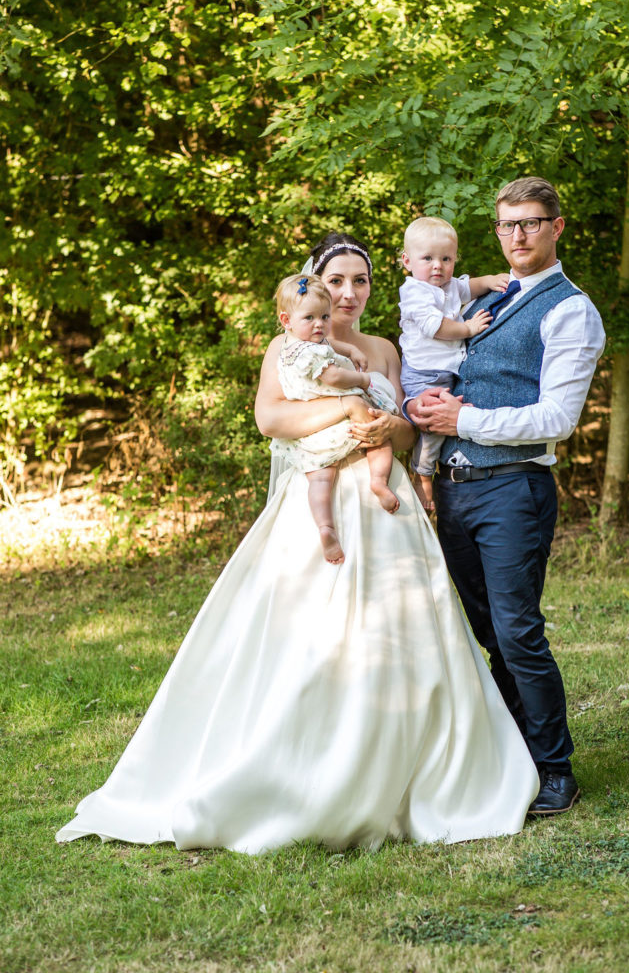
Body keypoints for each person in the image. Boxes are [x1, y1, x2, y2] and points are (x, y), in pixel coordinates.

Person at [56, 231, 539, 855]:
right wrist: (347, 414)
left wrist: (387, 423)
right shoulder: (288, 347)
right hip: (318, 505)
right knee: (312, 635)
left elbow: (398, 430)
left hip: (383, 501)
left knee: (403, 632)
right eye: (335, 280)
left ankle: (408, 773)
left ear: (373, 287)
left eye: (359, 281)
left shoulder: (384, 349)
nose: (347, 292)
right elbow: (272, 420)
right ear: (313, 285)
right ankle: (301, 772)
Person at [406, 177, 606, 817]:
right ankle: (508, 752)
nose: (518, 235)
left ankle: (555, 771)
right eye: (507, 225)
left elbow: (556, 417)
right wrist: (424, 407)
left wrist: (461, 421)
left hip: (513, 489)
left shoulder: (570, 309)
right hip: (456, 491)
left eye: (531, 222)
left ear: (557, 226)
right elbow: (450, 371)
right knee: (489, 632)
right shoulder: (486, 298)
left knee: (518, 632)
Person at [272, 271, 399, 565]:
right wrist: (364, 379)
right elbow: (334, 375)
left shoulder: (294, 347)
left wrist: (350, 348)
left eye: (324, 317)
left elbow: (328, 344)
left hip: (313, 432)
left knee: (319, 478)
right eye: (310, 319)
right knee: (376, 439)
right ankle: (379, 481)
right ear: (286, 321)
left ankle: (325, 526)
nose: (320, 325)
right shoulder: (311, 353)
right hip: (342, 422)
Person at [399, 216, 508, 511]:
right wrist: (468, 329)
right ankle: (421, 473)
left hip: (443, 370)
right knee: (433, 425)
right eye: (428, 258)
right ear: (407, 261)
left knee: (445, 415)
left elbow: (467, 288)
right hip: (424, 373)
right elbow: (436, 327)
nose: (438, 265)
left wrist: (488, 281)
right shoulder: (415, 293)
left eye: (446, 258)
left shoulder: (447, 286)